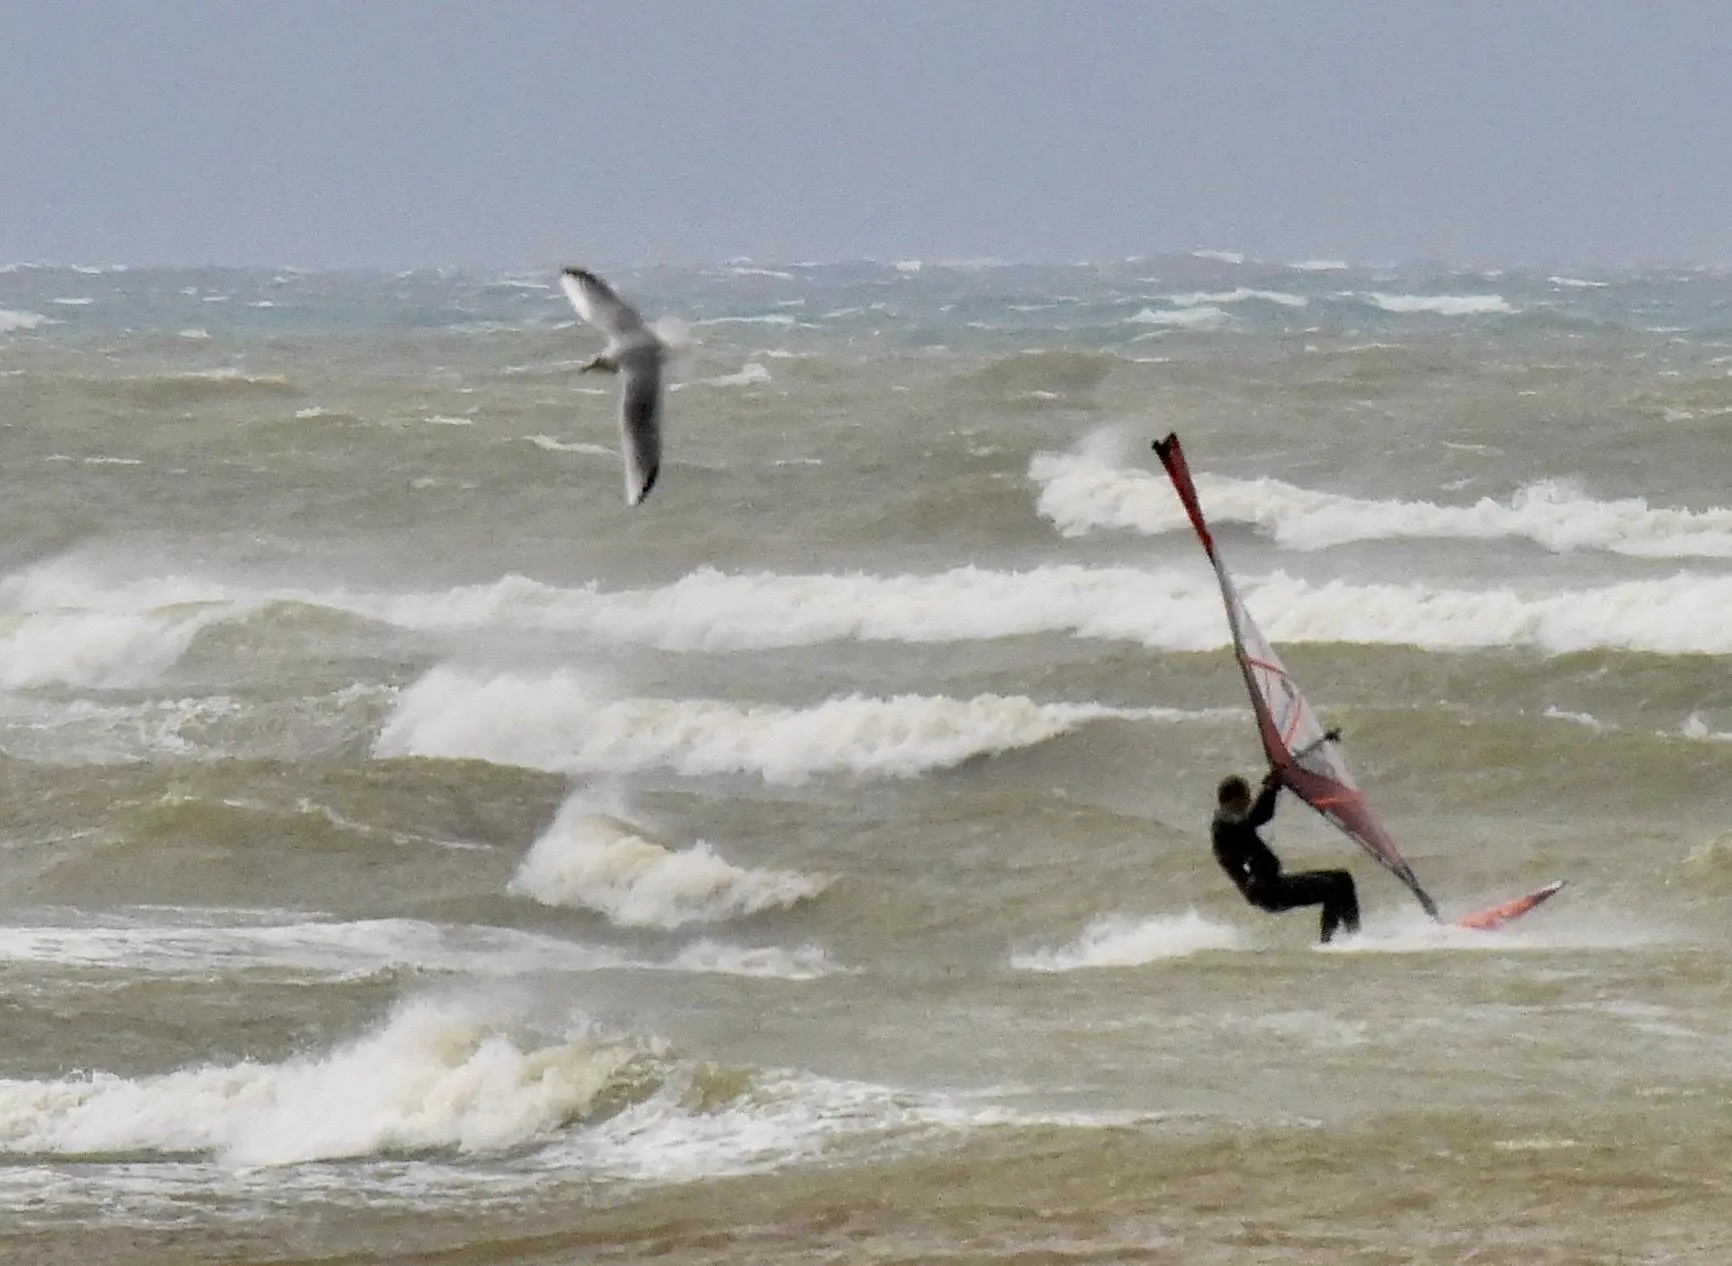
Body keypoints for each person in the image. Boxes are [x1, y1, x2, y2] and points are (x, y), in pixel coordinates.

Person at [1212, 768, 1360, 943]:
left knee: (1343, 878)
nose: (1249, 802)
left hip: (1273, 884)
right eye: (1246, 798)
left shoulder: (1231, 820)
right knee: (1331, 888)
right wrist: (1270, 789)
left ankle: (1356, 936)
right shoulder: (1224, 821)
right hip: (1266, 892)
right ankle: (1328, 944)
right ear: (1233, 800)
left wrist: (1272, 788)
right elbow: (1253, 818)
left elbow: (1262, 815)